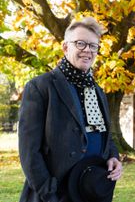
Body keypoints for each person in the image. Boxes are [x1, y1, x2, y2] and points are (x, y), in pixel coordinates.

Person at [18, 17, 123, 202]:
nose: (87, 51)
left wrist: (113, 157)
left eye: (93, 46)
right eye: (80, 44)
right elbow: (29, 151)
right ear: (65, 47)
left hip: (90, 189)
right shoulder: (41, 87)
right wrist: (49, 192)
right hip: (55, 193)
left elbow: (105, 135)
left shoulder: (97, 90)